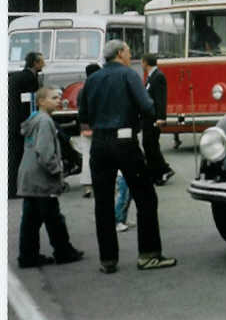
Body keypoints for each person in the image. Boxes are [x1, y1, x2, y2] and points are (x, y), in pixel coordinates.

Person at [78, 39, 177, 274]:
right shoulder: (128, 75)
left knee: (102, 203)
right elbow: (147, 106)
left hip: (99, 143)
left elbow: (84, 113)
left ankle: (108, 260)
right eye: (128, 51)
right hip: (124, 141)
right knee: (145, 198)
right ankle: (149, 254)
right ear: (121, 53)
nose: (130, 55)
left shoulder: (92, 80)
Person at [17, 86, 85, 268]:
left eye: (58, 97)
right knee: (54, 217)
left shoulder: (34, 120)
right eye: (54, 98)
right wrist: (57, 171)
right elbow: (45, 152)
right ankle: (63, 251)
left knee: (31, 219)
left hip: (28, 175)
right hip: (42, 177)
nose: (58, 101)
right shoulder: (46, 122)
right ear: (41, 101)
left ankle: (27, 255)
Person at [9, 52, 45, 199]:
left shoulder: (17, 76)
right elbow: (28, 103)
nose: (44, 64)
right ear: (35, 63)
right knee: (21, 155)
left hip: (12, 119)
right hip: (21, 122)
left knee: (14, 155)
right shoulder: (29, 78)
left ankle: (13, 187)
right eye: (42, 61)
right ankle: (18, 188)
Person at [141, 54, 175, 185]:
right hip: (148, 118)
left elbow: (161, 99)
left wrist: (161, 117)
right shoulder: (150, 77)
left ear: (145, 63)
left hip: (154, 118)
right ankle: (155, 172)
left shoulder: (158, 77)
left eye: (142, 62)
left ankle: (163, 170)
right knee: (149, 145)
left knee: (151, 145)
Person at [75, 63, 101, 198]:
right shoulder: (102, 88)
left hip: (86, 127)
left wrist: (85, 126)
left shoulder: (82, 90)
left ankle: (87, 187)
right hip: (100, 127)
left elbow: (81, 111)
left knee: (87, 156)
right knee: (103, 156)